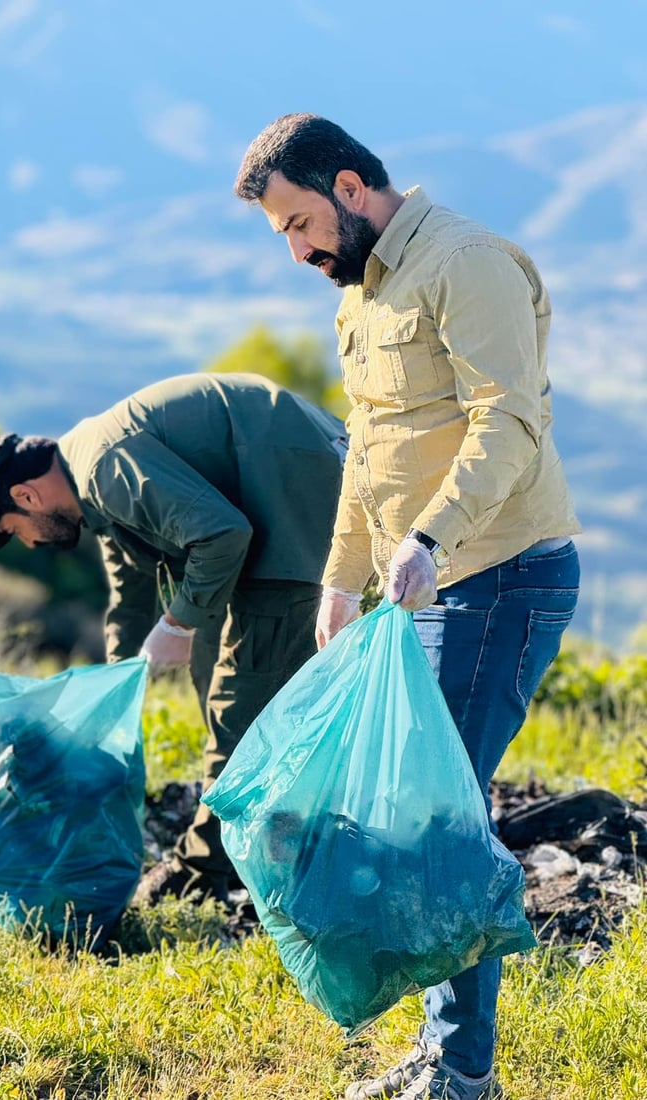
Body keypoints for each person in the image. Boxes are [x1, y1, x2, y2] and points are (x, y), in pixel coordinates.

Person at [234, 114, 581, 1100]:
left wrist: (428, 536)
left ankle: (462, 1070)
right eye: (283, 236)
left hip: (502, 574)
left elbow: (510, 414)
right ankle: (451, 1048)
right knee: (423, 816)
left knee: (437, 823)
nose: (298, 251)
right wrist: (339, 578)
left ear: (350, 186)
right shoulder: (363, 295)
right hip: (418, 587)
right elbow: (369, 447)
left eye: (302, 223)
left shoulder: (464, 262)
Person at [0, 371, 348, 906]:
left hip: (294, 513)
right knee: (219, 685)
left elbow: (223, 534)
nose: (26, 543)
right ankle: (277, 847)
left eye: (12, 530)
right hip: (268, 521)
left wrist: (179, 623)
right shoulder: (88, 487)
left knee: (239, 707)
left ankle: (202, 874)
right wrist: (114, 695)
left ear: (26, 495)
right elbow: (130, 599)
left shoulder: (103, 468)